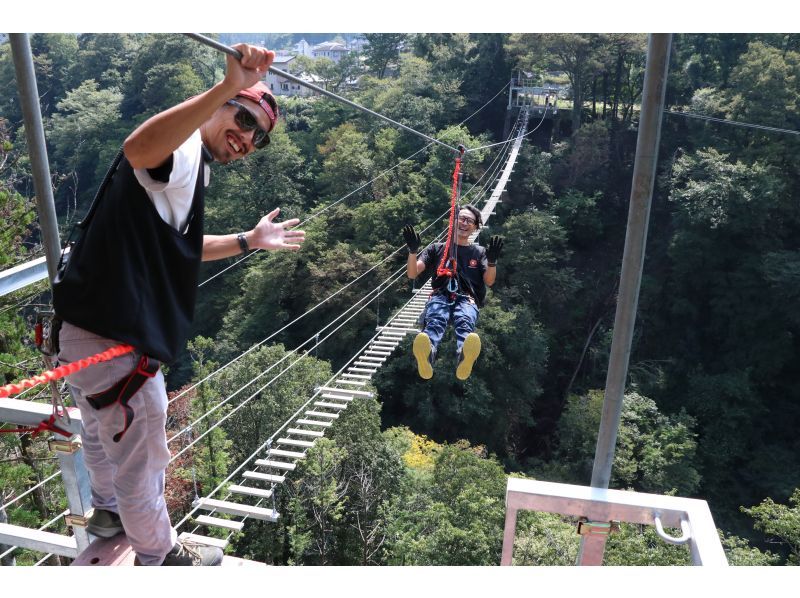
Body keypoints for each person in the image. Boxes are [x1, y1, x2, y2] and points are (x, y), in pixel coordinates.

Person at [52, 44, 305, 566]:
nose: (247, 139)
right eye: (242, 118)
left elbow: (183, 246)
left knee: (103, 436)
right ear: (218, 107)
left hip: (78, 331)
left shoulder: (192, 167)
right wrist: (225, 85)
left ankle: (108, 513)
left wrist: (246, 241)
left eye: (258, 137)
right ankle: (162, 560)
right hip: (116, 339)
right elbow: (138, 148)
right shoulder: (185, 153)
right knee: (144, 458)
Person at [402, 205, 503, 381]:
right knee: (435, 319)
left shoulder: (479, 253)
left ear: (476, 227)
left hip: (466, 297)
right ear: (453, 221)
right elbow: (412, 273)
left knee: (465, 319)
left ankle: (464, 354)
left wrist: (492, 262)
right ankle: (427, 353)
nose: (464, 223)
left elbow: (489, 281)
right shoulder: (436, 249)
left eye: (469, 221)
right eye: (461, 218)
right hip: (441, 294)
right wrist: (412, 252)